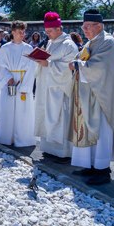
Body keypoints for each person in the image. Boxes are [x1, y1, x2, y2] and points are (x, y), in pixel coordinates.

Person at [68, 9, 114, 185]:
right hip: (90, 95)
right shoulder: (91, 42)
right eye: (83, 27)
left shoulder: (108, 42)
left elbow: (100, 67)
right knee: (90, 130)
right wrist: (77, 62)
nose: (84, 30)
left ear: (99, 26)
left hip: (103, 96)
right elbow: (83, 59)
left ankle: (102, 170)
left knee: (101, 131)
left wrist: (78, 65)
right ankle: (92, 165)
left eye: (87, 27)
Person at [34, 12, 78, 161]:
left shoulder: (68, 44)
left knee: (60, 118)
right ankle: (49, 148)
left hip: (60, 89)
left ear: (58, 28)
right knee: (48, 117)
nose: (47, 34)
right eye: (46, 32)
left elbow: (69, 67)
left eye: (49, 31)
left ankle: (62, 152)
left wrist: (48, 64)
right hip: (47, 86)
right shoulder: (51, 42)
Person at [0, 21, 37, 147]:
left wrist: (24, 86)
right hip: (10, 82)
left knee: (22, 112)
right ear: (13, 32)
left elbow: (31, 68)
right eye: (19, 32)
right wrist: (8, 78)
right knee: (8, 109)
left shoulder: (28, 48)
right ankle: (7, 137)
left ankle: (22, 138)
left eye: (23, 32)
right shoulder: (5, 48)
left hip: (24, 81)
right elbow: (0, 66)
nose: (22, 34)